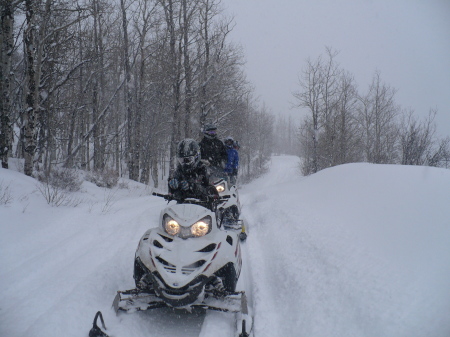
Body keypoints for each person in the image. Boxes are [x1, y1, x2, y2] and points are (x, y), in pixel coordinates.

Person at [168, 139, 218, 207]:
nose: (185, 163)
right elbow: (172, 196)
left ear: (196, 157)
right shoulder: (179, 171)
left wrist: (193, 186)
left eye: (188, 160)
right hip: (182, 207)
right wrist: (172, 187)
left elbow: (212, 191)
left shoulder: (204, 170)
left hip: (203, 207)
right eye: (182, 160)